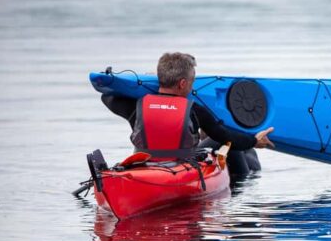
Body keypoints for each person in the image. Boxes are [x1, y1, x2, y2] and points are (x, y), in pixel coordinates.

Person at [100, 52, 274, 174]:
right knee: (222, 142)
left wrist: (146, 84)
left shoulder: (138, 106)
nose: (192, 86)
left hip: (144, 167)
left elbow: (107, 96)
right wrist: (253, 141)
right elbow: (225, 136)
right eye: (192, 81)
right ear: (183, 84)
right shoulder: (194, 111)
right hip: (181, 171)